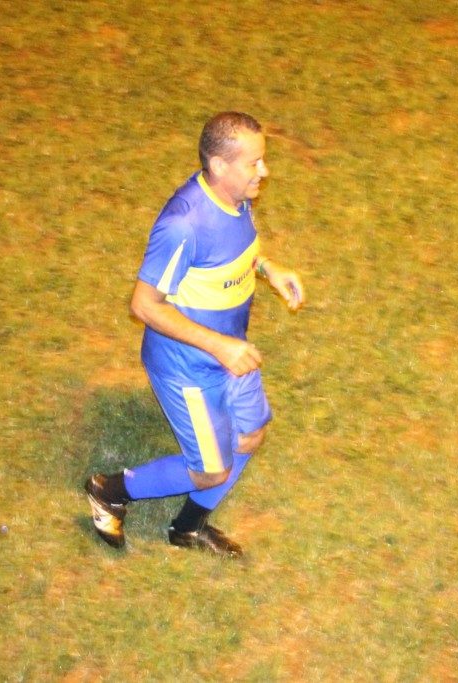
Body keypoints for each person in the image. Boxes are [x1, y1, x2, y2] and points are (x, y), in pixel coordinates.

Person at [84, 111, 305, 557]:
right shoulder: (182, 225)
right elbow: (143, 305)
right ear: (220, 165)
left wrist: (268, 268)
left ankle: (187, 528)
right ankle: (109, 491)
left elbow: (233, 252)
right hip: (187, 366)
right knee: (210, 471)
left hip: (229, 351)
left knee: (251, 435)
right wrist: (220, 345)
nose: (264, 171)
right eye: (254, 163)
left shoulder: (235, 197)